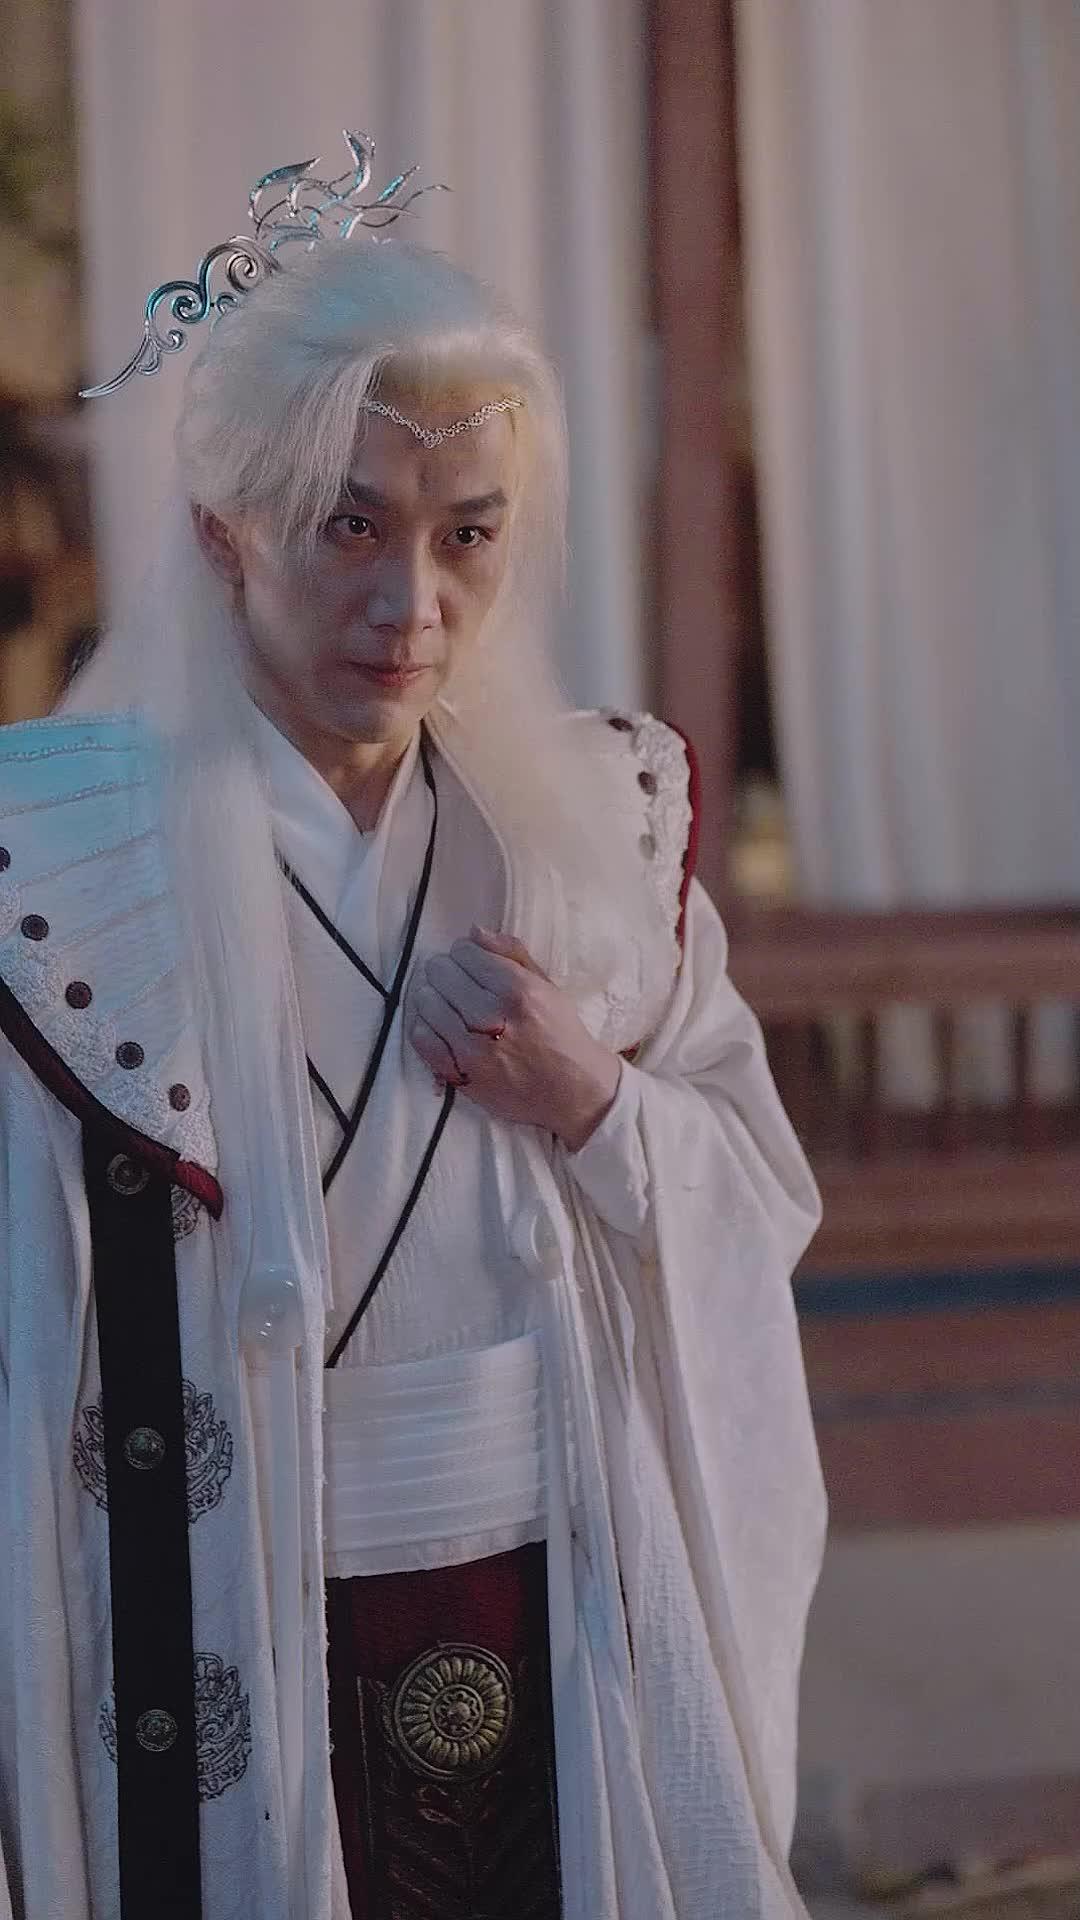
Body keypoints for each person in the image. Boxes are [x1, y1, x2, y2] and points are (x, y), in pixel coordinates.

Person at [0, 136, 825, 1920]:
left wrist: (597, 1101)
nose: (414, 604)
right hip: (228, 1580)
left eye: (469, 535)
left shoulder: (596, 833)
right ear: (223, 534)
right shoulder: (56, 870)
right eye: (350, 525)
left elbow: (758, 1199)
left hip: (555, 1566)